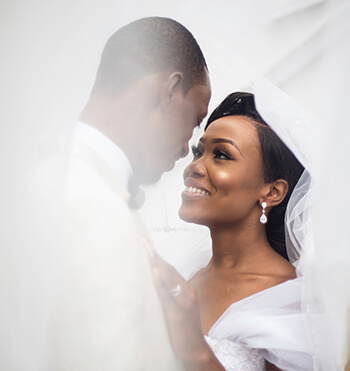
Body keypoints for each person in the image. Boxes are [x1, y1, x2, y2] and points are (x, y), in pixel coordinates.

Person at [4, 17, 211, 370]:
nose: (185, 149)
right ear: (170, 92)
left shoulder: (53, 175)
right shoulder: (92, 205)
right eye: (194, 119)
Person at [147, 92, 322, 370]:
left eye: (221, 155)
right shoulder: (186, 274)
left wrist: (197, 351)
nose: (194, 167)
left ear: (273, 191)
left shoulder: (291, 298)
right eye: (198, 151)